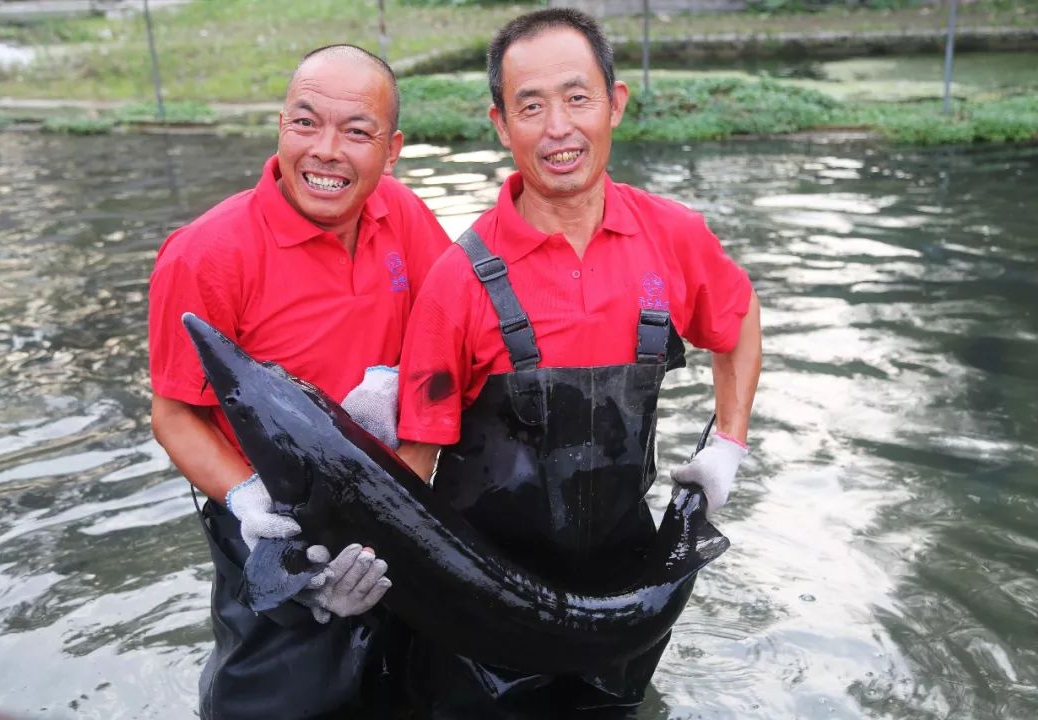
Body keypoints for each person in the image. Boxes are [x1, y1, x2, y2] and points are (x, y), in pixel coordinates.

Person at [394, 9, 762, 719]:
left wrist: (729, 446)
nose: (558, 128)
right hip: (484, 616)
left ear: (615, 104)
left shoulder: (674, 237)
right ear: (501, 125)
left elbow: (739, 320)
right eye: (531, 106)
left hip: (625, 601)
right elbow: (413, 468)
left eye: (577, 97)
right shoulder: (458, 279)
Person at [147, 45, 450, 720]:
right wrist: (249, 501)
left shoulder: (403, 215)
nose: (326, 152)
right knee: (271, 698)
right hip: (273, 521)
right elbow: (172, 415)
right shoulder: (205, 254)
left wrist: (414, 474)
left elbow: (449, 350)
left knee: (401, 688)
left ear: (392, 149)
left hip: (390, 506)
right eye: (306, 123)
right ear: (280, 125)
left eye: (357, 132)